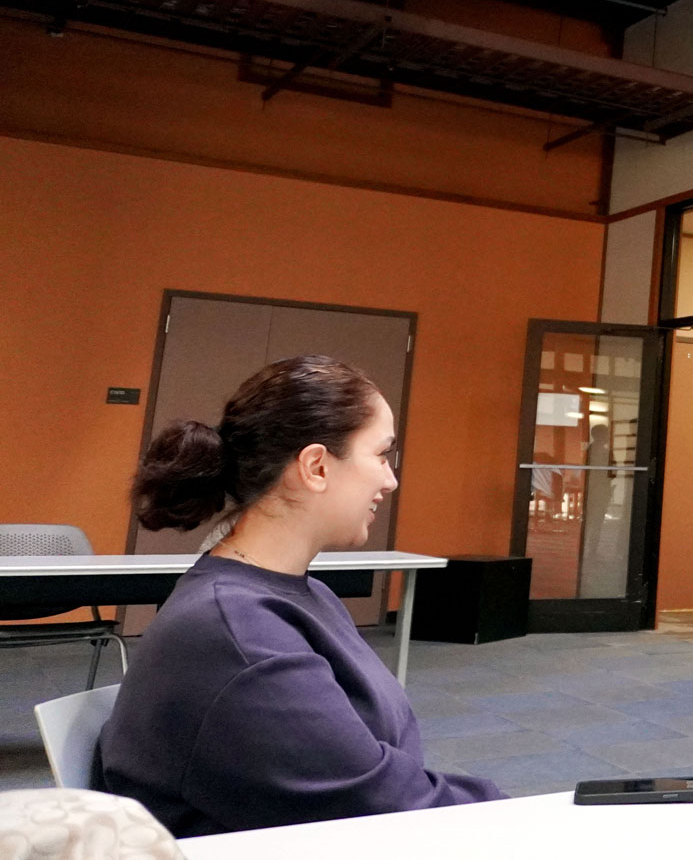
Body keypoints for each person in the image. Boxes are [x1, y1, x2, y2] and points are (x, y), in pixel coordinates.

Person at [101, 356, 505, 836]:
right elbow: (385, 811)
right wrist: (516, 813)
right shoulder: (236, 635)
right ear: (315, 466)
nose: (389, 480)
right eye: (380, 455)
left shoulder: (301, 595)